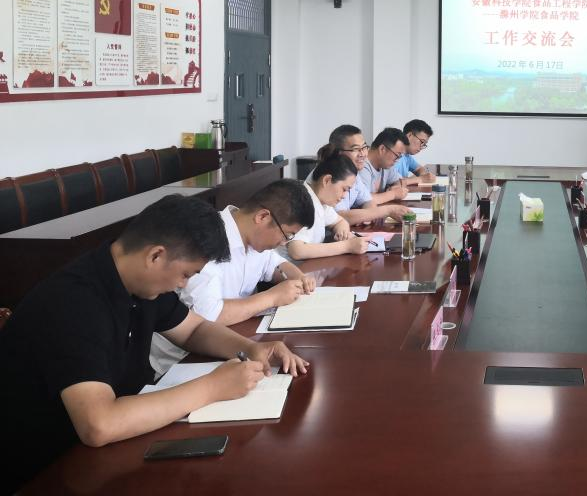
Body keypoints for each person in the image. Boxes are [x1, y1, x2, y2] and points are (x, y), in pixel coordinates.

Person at [0, 195, 309, 494]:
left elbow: (194, 329)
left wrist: (252, 348)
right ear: (155, 256)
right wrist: (212, 387)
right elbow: (99, 424)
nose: (184, 284)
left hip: (114, 449)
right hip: (48, 471)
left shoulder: (137, 282)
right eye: (185, 274)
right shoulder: (73, 303)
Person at [179, 179, 317, 326]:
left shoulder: (255, 239)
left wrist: (299, 277)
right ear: (262, 217)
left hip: (241, 328)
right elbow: (207, 315)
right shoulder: (207, 239)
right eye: (286, 235)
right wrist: (272, 298)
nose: (284, 243)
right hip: (201, 338)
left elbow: (275, 264)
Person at [318, 125, 410, 225]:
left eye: (364, 147)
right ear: (339, 153)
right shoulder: (331, 175)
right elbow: (338, 217)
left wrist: (365, 216)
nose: (363, 154)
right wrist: (388, 210)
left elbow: (368, 201)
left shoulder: (353, 173)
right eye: (356, 149)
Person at [284, 154, 369, 259]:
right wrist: (347, 246)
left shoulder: (321, 202)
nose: (344, 196)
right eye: (344, 189)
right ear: (327, 180)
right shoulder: (302, 202)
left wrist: (342, 233)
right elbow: (297, 251)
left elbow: (340, 221)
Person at [357, 127, 411, 205]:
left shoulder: (385, 165)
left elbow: (400, 181)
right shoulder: (362, 165)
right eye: (397, 155)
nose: (397, 160)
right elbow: (364, 199)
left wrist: (396, 187)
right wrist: (393, 194)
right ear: (382, 149)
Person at [396, 119, 436, 185]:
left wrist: (424, 176)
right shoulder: (393, 154)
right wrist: (421, 179)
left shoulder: (406, 155)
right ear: (409, 135)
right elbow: (394, 183)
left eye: (424, 144)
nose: (421, 147)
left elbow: (419, 169)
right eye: (422, 142)